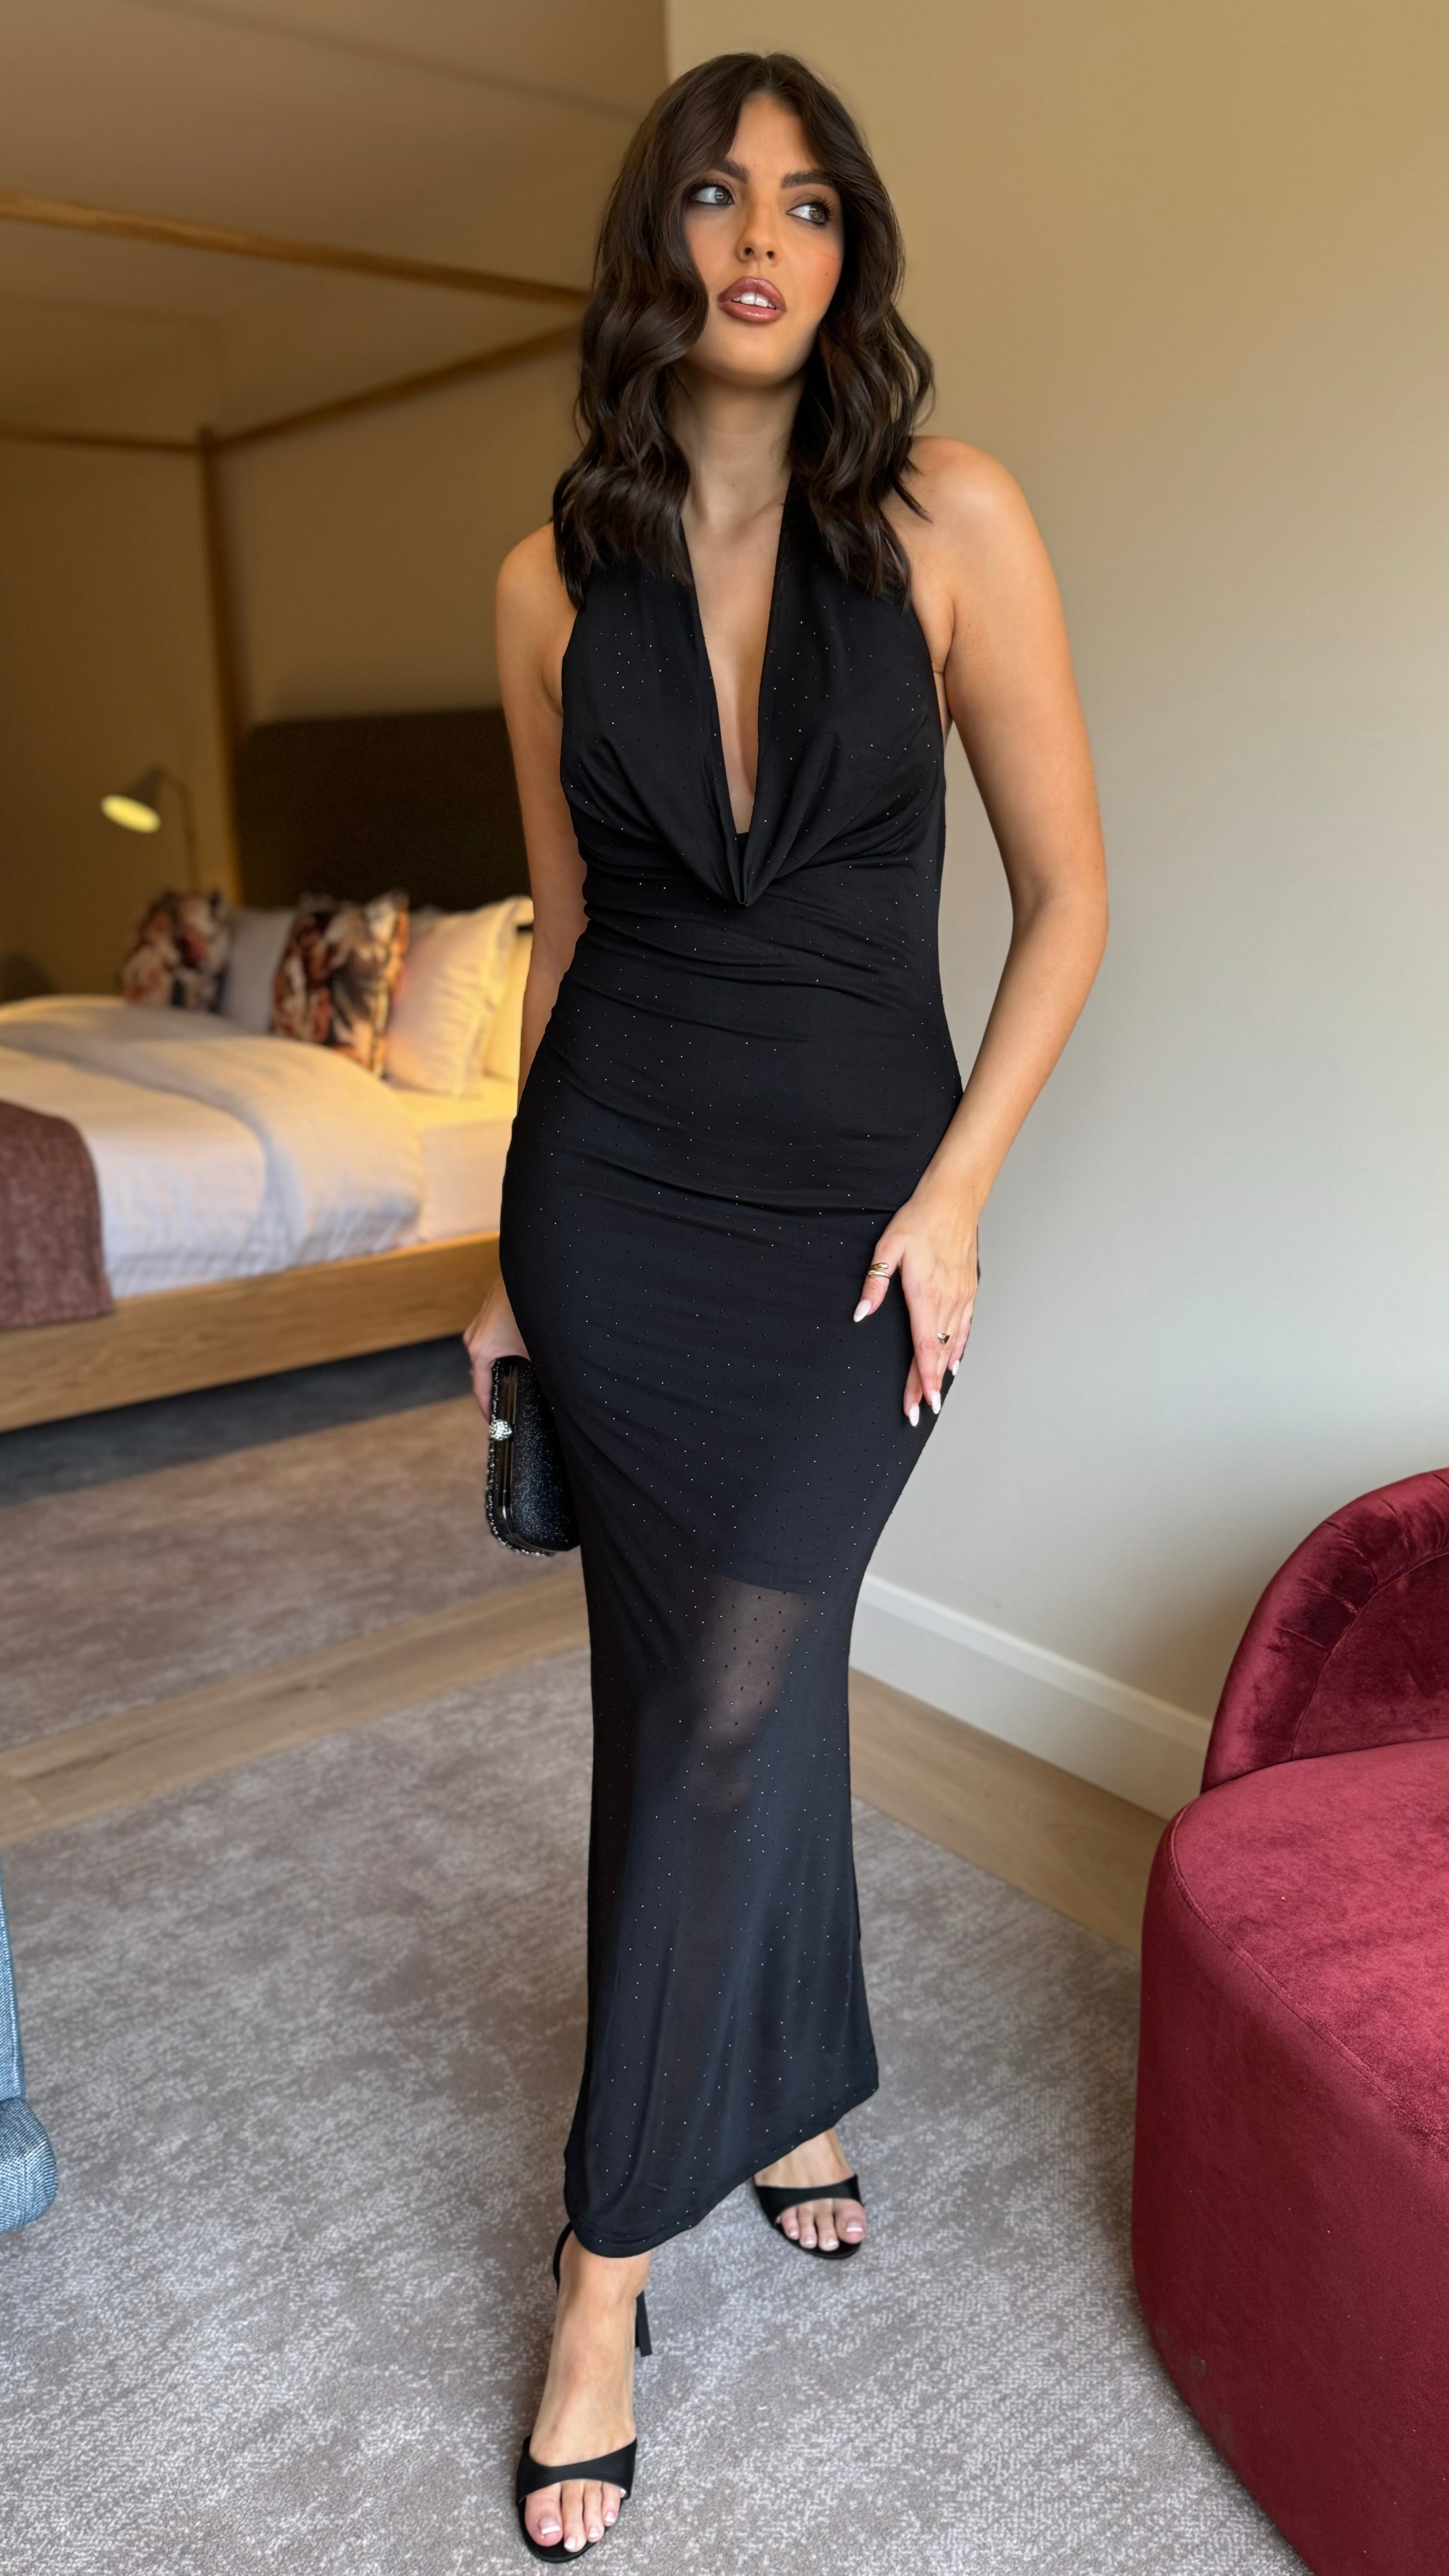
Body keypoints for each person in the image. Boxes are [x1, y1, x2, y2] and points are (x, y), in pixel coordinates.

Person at [465, 49, 1108, 2562]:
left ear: (853, 257)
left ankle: (605, 2241)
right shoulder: (547, 581)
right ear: (657, 238)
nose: (763, 237)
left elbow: (1069, 897)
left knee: (731, 1679)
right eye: (719, 193)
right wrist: (507, 1265)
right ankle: (729, 2147)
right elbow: (568, 932)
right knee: (712, 1683)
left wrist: (957, 1200)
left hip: (858, 1220)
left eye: (813, 203)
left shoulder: (953, 516)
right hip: (612, 1202)